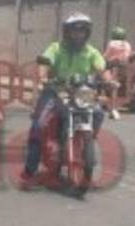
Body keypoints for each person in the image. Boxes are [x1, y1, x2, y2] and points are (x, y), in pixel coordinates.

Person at [20, 13, 111, 186]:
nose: (78, 35)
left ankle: (85, 142)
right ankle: (29, 171)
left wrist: (109, 80)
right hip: (55, 91)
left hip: (82, 93)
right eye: (75, 31)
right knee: (39, 126)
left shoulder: (91, 52)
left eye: (82, 31)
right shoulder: (56, 48)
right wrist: (43, 76)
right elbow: (45, 63)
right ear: (67, 32)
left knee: (98, 113)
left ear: (87, 33)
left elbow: (102, 68)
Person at [103, 26, 133, 119]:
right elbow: (129, 55)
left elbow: (106, 55)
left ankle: (112, 106)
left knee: (112, 86)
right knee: (122, 87)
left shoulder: (112, 43)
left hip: (113, 66)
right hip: (125, 67)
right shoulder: (127, 44)